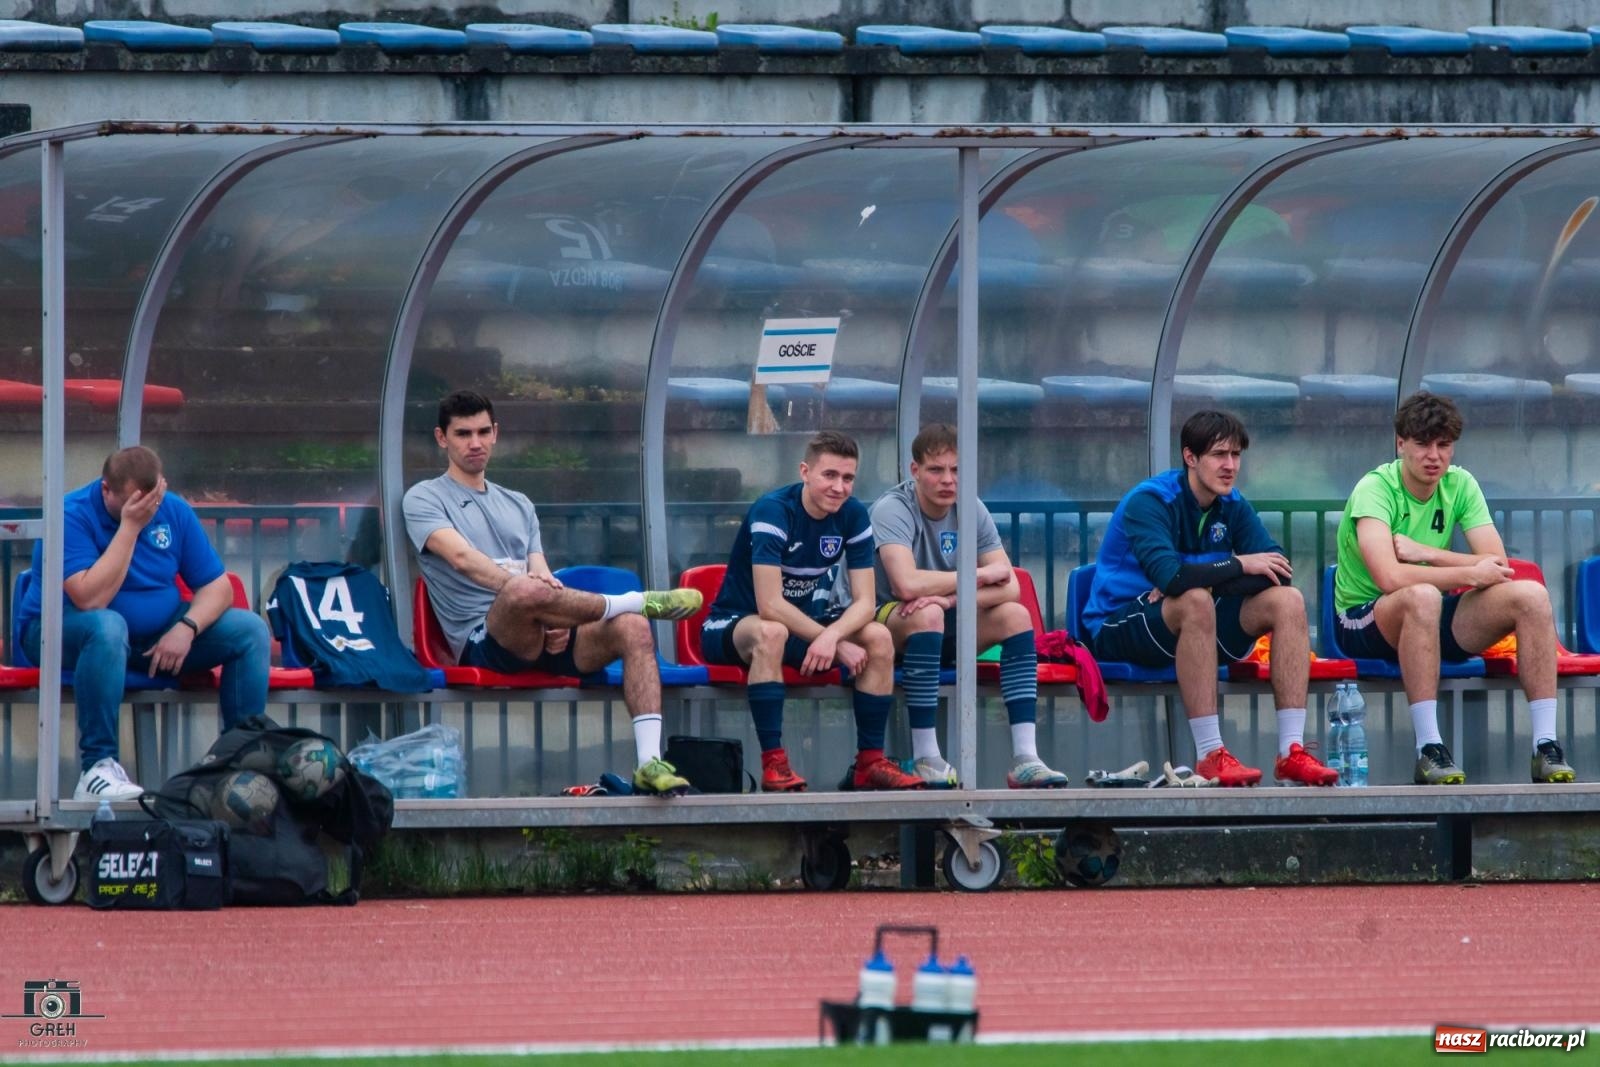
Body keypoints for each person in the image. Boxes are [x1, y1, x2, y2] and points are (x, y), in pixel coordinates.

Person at [403, 390, 705, 797]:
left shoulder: (519, 504)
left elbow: (542, 574)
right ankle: (638, 600)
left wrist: (551, 618)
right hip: (483, 639)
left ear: (496, 433)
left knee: (633, 628)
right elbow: (461, 558)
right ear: (442, 438)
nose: (475, 443)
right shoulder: (423, 497)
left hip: (541, 631)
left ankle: (649, 762)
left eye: (482, 432)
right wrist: (529, 594)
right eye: (463, 434)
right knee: (522, 588)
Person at [1083, 410, 1337, 788]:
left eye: (1235, 455)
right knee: (1195, 600)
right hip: (1117, 624)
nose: (1230, 465)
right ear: (1190, 457)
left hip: (1192, 620)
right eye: (1219, 455)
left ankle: (1291, 752)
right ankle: (1210, 753)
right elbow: (1171, 578)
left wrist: (1206, 579)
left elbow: (1278, 570)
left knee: (1288, 600)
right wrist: (1236, 565)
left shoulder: (1231, 502)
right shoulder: (1150, 500)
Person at [1333, 391, 1575, 785]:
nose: (1434, 456)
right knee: (1423, 596)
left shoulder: (1460, 483)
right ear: (1400, 444)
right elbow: (1389, 578)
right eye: (1422, 444)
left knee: (1531, 595)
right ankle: (1429, 748)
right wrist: (1469, 573)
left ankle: (1546, 745)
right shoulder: (1374, 489)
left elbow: (1497, 565)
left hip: (1428, 614)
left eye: (1443, 445)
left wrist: (1428, 553)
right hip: (1362, 619)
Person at [16, 446, 272, 801]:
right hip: (59, 633)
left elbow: (218, 588)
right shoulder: (71, 515)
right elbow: (90, 598)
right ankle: (97, 767)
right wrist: (130, 527)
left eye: (152, 502)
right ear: (106, 489)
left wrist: (187, 627)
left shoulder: (172, 509)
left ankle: (239, 767)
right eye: (134, 504)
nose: (147, 511)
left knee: (250, 630)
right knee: (108, 627)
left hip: (154, 636)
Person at [701, 430, 924, 793]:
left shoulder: (853, 514)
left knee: (878, 636)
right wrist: (831, 640)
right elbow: (770, 605)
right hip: (734, 624)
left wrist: (832, 636)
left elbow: (865, 602)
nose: (839, 487)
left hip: (805, 631)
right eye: (829, 475)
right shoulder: (774, 510)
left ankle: (869, 763)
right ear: (805, 472)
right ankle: (774, 764)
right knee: (771, 631)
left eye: (848, 478)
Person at [869, 423, 1069, 789]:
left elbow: (1009, 586)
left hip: (945, 617)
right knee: (928, 613)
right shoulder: (892, 508)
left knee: (1016, 616)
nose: (948, 480)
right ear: (915, 470)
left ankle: (1026, 759)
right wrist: (976, 576)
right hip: (888, 625)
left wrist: (950, 597)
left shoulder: (971, 507)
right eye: (936, 470)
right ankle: (926, 756)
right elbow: (905, 584)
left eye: (957, 470)